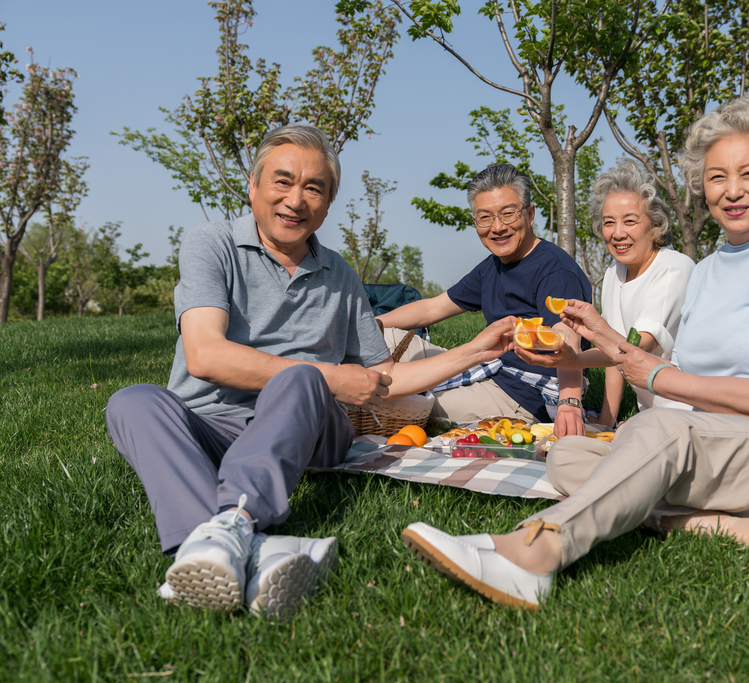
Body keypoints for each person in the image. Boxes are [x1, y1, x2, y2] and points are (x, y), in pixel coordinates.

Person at [400, 94, 749, 610]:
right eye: (717, 177)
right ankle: (736, 528)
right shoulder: (707, 271)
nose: (732, 191)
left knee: (657, 429)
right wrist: (596, 345)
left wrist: (653, 378)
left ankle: (535, 552)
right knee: (570, 455)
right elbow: (679, 369)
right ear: (701, 186)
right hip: (715, 440)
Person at [105, 124, 515, 620]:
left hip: (311, 425)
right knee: (132, 401)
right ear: (253, 186)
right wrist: (331, 375)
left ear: (328, 203)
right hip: (212, 424)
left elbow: (382, 379)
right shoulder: (211, 244)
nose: (296, 200)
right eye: (282, 182)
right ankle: (225, 551)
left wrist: (475, 351)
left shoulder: (339, 274)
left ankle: (235, 519)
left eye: (313, 188)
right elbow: (205, 356)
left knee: (301, 377)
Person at [377, 163, 593, 437]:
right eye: (485, 218)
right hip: (485, 364)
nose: (498, 227)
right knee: (382, 338)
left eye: (508, 214)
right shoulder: (492, 266)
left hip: (521, 392)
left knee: (413, 405)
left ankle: (353, 401)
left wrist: (570, 403)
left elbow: (567, 339)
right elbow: (432, 307)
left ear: (529, 214)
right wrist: (370, 323)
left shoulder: (555, 270)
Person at [514, 158, 694, 433]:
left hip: (689, 411)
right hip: (653, 413)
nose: (618, 233)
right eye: (609, 222)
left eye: (630, 221)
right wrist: (607, 421)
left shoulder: (673, 269)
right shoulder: (614, 271)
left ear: (654, 224)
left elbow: (635, 348)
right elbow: (615, 356)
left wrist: (573, 359)